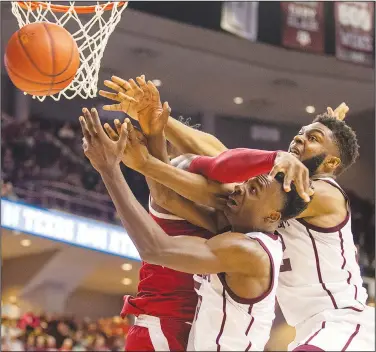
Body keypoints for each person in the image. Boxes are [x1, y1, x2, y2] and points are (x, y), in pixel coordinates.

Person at [100, 76, 374, 351]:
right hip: (309, 329)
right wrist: (157, 118)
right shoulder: (267, 215)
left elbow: (221, 173)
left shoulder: (326, 193)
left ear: (332, 162)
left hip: (344, 320)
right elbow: (218, 161)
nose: (299, 139)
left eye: (312, 138)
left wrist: (148, 157)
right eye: (300, 133)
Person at [79, 107, 310, 351]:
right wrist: (153, 134)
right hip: (166, 328)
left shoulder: (248, 250)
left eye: (252, 190)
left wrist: (110, 169)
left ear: (273, 215)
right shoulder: (237, 227)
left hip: (168, 330)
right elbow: (166, 194)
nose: (237, 189)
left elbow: (156, 247)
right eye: (244, 184)